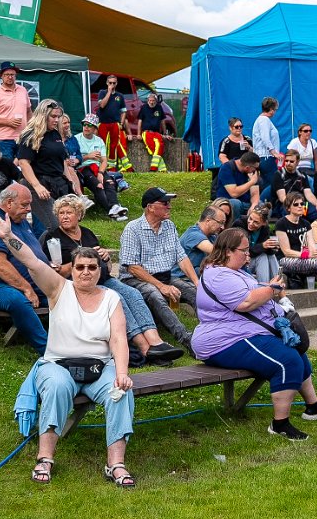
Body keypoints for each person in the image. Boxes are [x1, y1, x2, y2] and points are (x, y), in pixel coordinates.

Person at [0, 212, 139, 487]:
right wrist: (9, 237)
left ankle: (116, 464)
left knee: (120, 392)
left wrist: (121, 373)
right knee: (57, 387)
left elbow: (119, 338)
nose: (86, 272)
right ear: (72, 269)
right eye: (80, 267)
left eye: (92, 267)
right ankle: (45, 458)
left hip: (99, 366)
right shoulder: (59, 288)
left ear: (100, 271)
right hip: (59, 364)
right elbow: (32, 262)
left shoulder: (111, 297)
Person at [192, 227, 317, 437]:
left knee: (296, 351)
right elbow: (245, 302)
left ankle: (313, 406)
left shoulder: (233, 271)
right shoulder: (218, 275)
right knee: (287, 361)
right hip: (223, 340)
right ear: (227, 251)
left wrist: (269, 288)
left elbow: (253, 290)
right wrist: (271, 290)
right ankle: (280, 425)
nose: (248, 255)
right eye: (244, 250)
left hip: (242, 333)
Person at [40, 194, 183, 366]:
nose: (64, 216)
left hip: (103, 278)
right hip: (80, 285)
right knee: (117, 299)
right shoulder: (53, 239)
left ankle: (156, 341)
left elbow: (106, 268)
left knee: (133, 293)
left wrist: (106, 258)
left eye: (68, 212)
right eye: (61, 213)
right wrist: (84, 259)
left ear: (79, 214)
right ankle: (144, 347)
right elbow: (56, 274)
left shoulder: (87, 233)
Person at [0, 184, 50, 355]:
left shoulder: (20, 221)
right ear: (9, 203)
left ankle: (79, 344)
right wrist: (26, 287)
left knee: (67, 294)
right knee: (16, 299)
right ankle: (49, 351)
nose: (29, 209)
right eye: (25, 205)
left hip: (36, 282)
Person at [118, 187, 199, 346]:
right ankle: (185, 338)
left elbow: (181, 257)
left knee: (195, 293)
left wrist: (197, 282)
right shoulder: (133, 229)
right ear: (150, 207)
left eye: (169, 203)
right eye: (165, 203)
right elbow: (132, 267)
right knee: (154, 294)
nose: (169, 206)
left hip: (164, 277)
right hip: (136, 279)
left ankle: (211, 330)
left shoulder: (169, 226)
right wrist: (162, 286)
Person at [13, 101, 79, 233]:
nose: (57, 120)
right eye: (53, 116)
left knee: (67, 223)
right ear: (43, 115)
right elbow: (24, 163)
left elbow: (62, 161)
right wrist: (37, 186)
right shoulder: (30, 134)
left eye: (58, 116)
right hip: (38, 183)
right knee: (54, 225)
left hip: (58, 183)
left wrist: (70, 181)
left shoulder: (55, 133)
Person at [0, 61, 31, 159]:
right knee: (7, 166)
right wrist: (8, 122)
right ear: (1, 76)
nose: (10, 77)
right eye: (7, 74)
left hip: (23, 137)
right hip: (4, 139)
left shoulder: (23, 90)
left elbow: (29, 111)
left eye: (12, 74)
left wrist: (31, 129)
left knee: (24, 165)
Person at [214, 150, 264, 220]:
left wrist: (254, 205)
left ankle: (256, 226)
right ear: (247, 167)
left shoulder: (252, 172)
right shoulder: (227, 168)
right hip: (227, 202)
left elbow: (255, 193)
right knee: (235, 203)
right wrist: (252, 182)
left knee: (262, 206)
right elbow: (234, 193)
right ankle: (234, 225)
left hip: (246, 203)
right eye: (255, 168)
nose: (256, 170)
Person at [92, 74, 128, 163]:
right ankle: (101, 162)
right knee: (102, 143)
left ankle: (112, 165)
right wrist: (109, 92)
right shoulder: (102, 92)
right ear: (107, 83)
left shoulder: (120, 96)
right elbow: (102, 105)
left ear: (116, 83)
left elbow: (124, 111)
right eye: (110, 83)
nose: (112, 84)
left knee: (114, 145)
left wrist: (121, 123)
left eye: (114, 83)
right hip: (103, 123)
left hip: (115, 123)